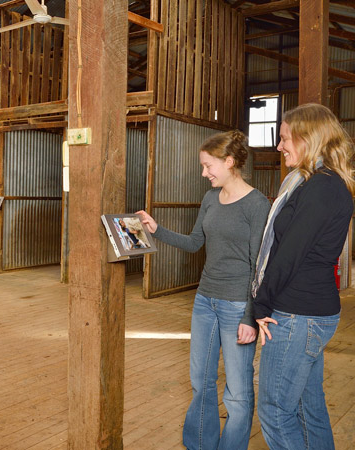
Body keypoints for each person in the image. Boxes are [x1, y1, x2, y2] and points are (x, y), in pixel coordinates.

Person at [136, 130, 270, 450]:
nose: (204, 172)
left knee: (237, 394)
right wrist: (156, 231)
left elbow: (259, 267)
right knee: (201, 383)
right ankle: (199, 444)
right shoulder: (211, 198)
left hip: (237, 305)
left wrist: (251, 317)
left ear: (229, 162)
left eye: (208, 166)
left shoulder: (257, 204)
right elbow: (196, 242)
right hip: (205, 301)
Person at [251, 103, 355, 450]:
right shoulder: (321, 183)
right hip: (310, 312)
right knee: (306, 407)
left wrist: (260, 303)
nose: (279, 146)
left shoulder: (322, 187)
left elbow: (289, 254)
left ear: (308, 139)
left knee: (274, 410)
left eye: (285, 139)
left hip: (297, 314)